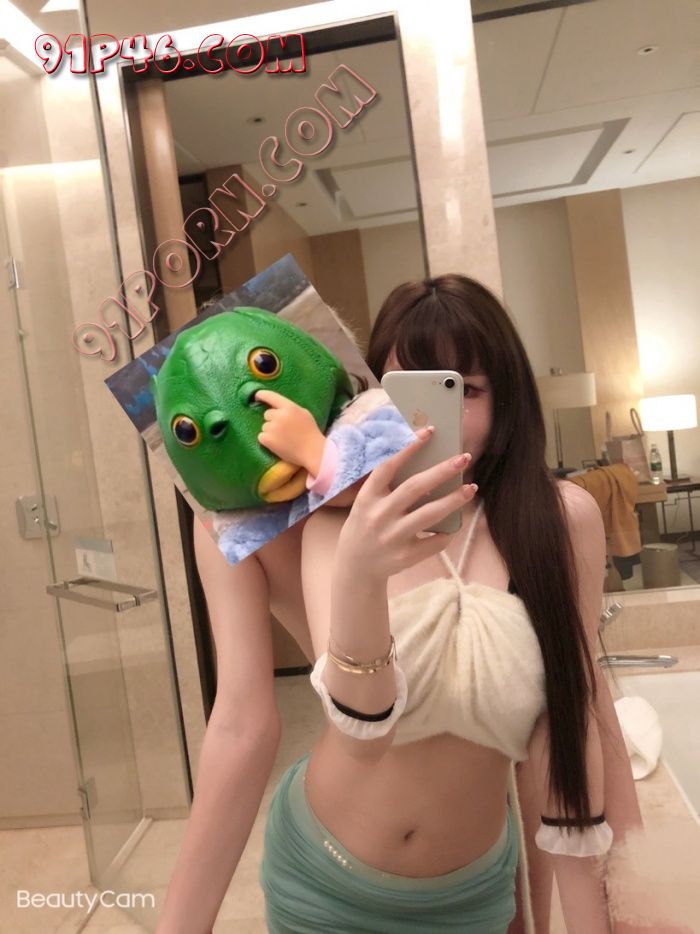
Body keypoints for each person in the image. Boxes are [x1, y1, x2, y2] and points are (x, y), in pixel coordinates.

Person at [156, 275, 644, 933]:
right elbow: (242, 725)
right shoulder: (280, 523)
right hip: (323, 878)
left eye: (463, 390)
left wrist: (588, 906)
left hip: (473, 887)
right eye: (401, 390)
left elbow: (573, 714)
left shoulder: (555, 522)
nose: (425, 419)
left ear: (508, 398)